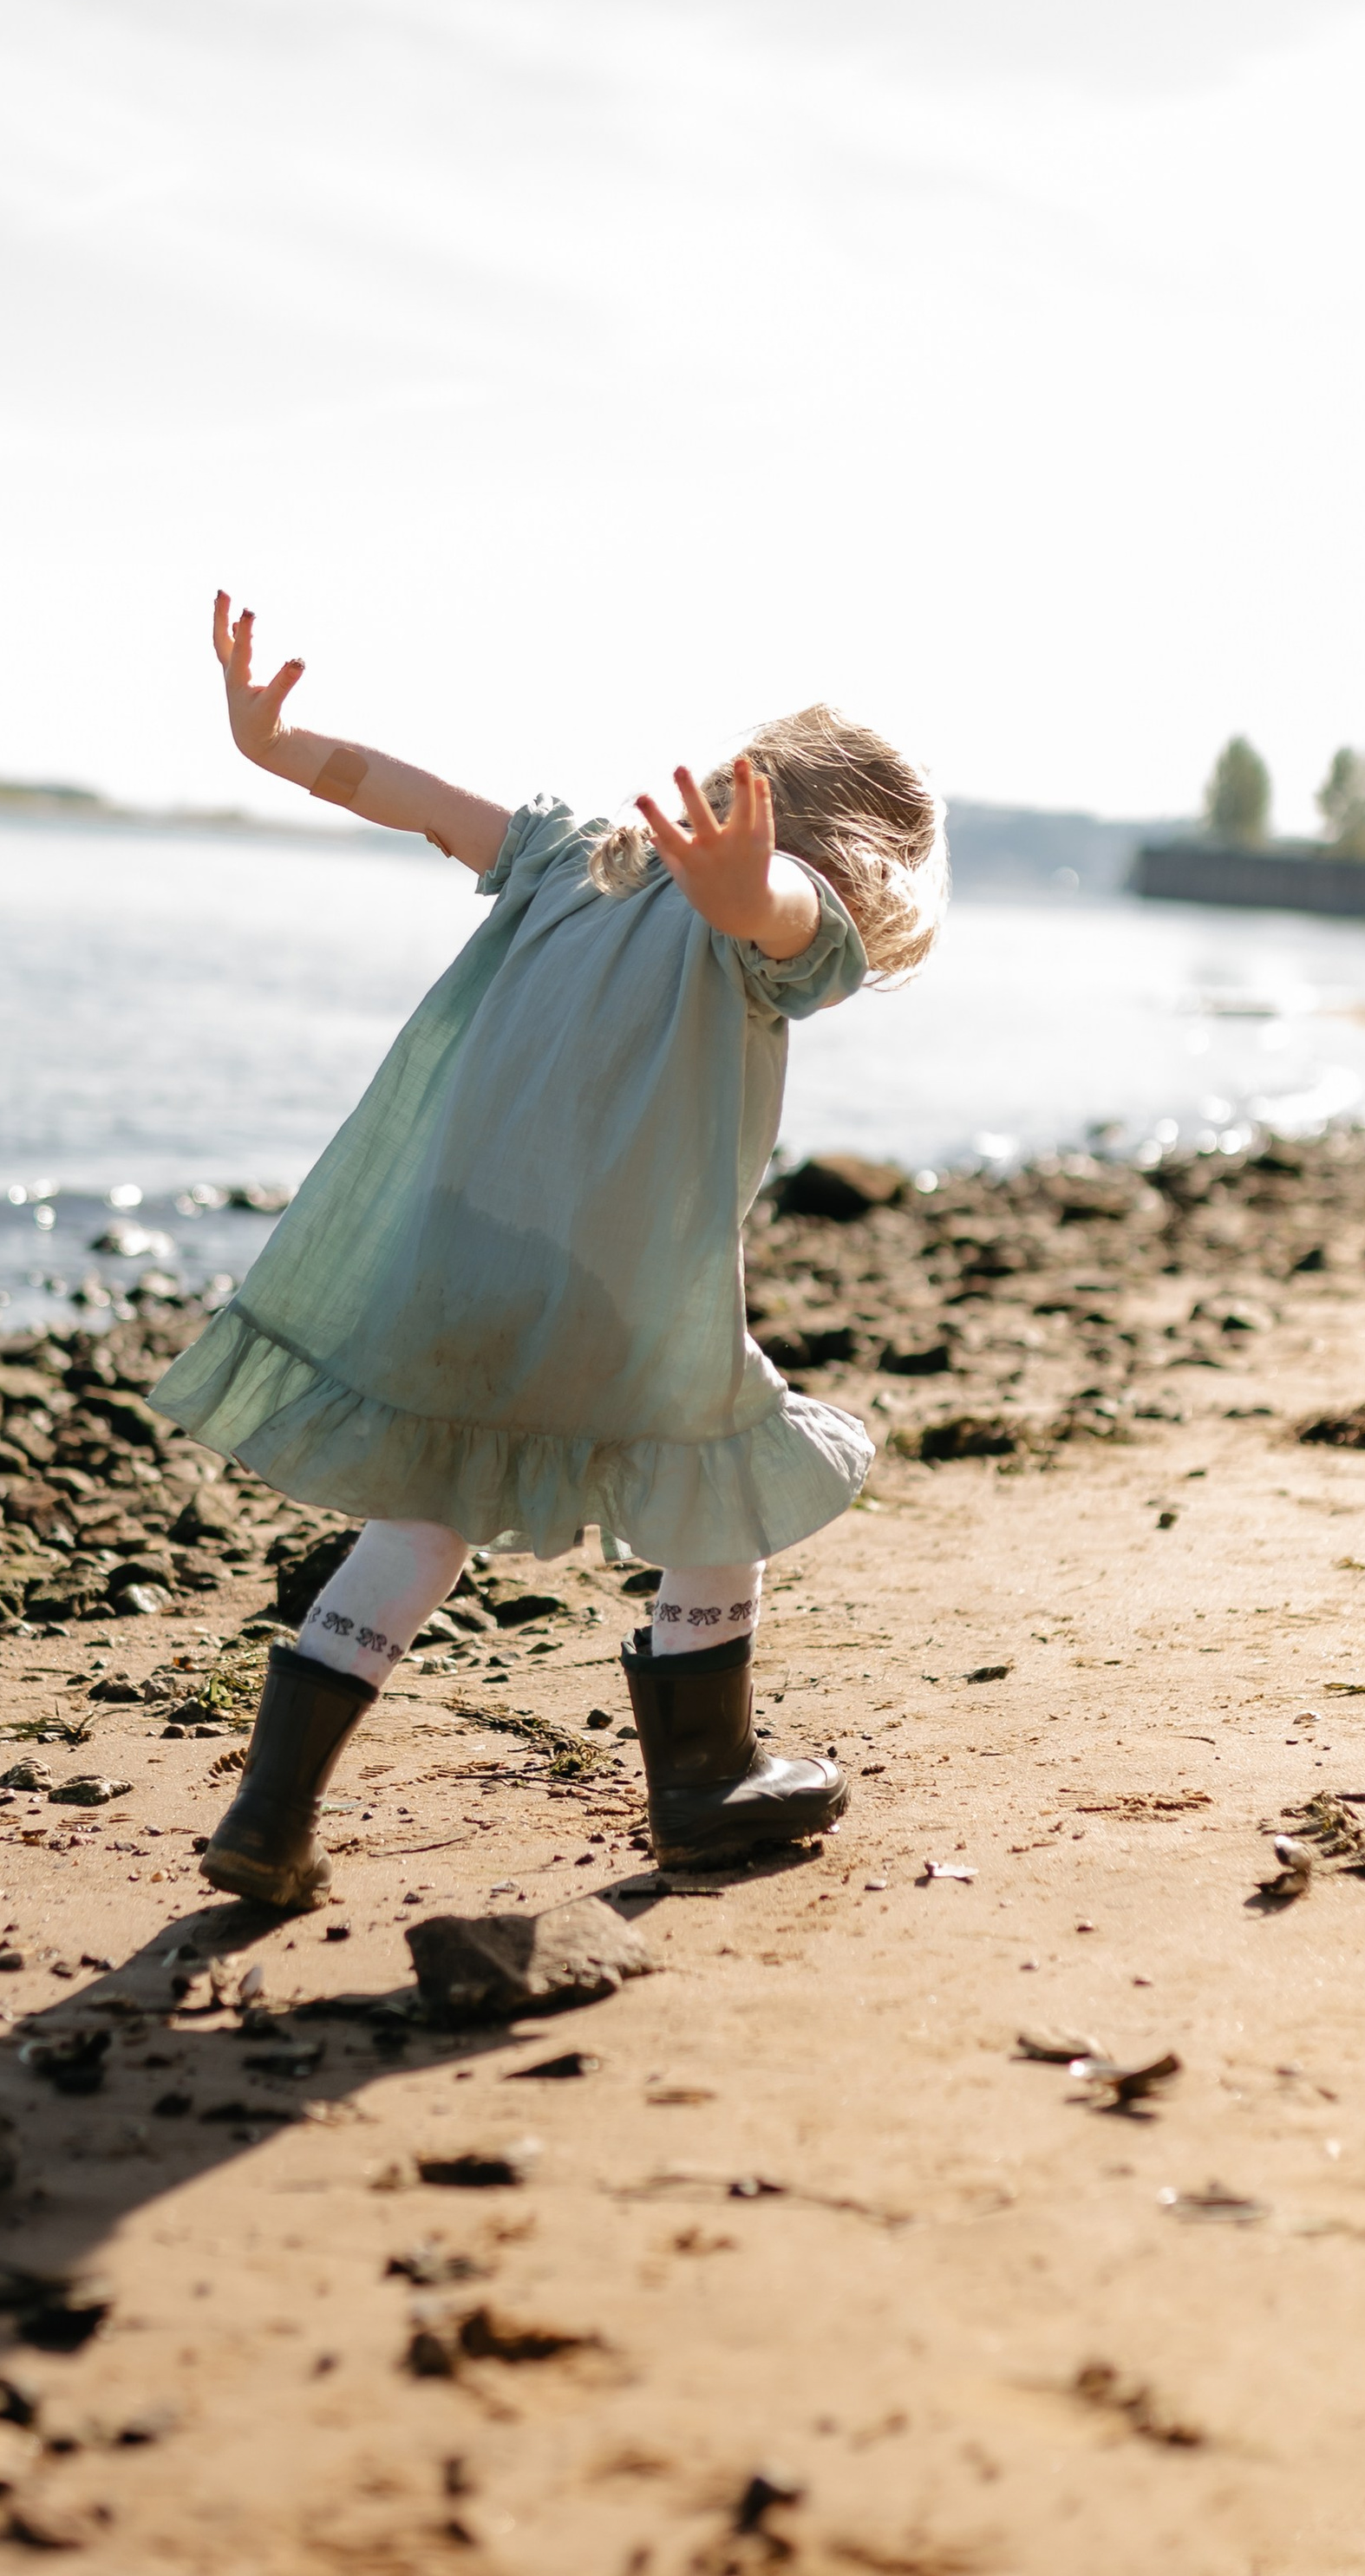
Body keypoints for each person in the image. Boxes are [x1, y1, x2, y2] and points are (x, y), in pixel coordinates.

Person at [152, 594, 949, 1909]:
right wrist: (755, 888)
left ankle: (271, 1808)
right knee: (723, 1474)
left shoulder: (571, 855)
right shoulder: (767, 934)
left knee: (420, 1519)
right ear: (868, 857)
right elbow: (794, 914)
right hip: (616, 1301)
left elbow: (424, 803)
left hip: (451, 1271)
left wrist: (278, 747)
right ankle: (705, 1779)